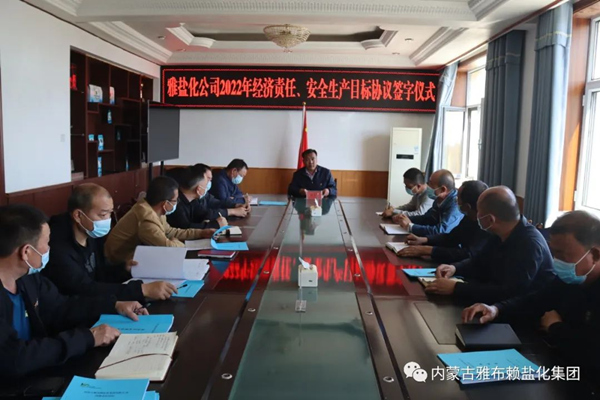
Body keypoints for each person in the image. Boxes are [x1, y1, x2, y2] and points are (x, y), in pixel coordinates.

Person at [0, 204, 147, 378]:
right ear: (26, 252)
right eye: (46, 243)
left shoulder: (27, 278)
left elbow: (60, 307)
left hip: (36, 372)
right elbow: (14, 357)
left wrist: (113, 305)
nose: (49, 249)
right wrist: (88, 337)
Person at [462, 211, 600, 382]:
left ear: (595, 255)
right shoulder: (571, 278)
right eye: (554, 253)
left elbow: (593, 354)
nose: (557, 261)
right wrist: (496, 309)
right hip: (557, 362)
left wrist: (555, 327)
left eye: (563, 255)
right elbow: (535, 300)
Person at [42, 184, 177, 302]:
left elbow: (100, 275)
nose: (108, 220)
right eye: (102, 215)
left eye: (110, 214)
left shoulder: (92, 234)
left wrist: (123, 269)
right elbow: (84, 288)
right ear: (78, 215)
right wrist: (142, 290)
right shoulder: (57, 248)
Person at [426, 186, 555, 304]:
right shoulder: (500, 232)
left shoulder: (529, 244)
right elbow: (478, 261)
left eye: (478, 213)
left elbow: (509, 292)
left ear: (490, 219)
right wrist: (454, 268)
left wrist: (456, 288)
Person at [104, 176, 215, 264]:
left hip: (134, 257)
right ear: (165, 204)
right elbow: (168, 248)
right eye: (175, 200)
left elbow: (170, 232)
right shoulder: (146, 219)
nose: (177, 203)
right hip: (119, 264)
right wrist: (178, 243)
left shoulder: (155, 209)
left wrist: (201, 233)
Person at [398, 180, 491, 264]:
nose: (455, 200)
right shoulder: (469, 217)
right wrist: (425, 240)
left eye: (457, 198)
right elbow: (451, 237)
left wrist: (428, 250)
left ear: (467, 207)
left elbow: (467, 254)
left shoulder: (487, 225)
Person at [394, 169, 462, 236]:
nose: (427, 186)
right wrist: (405, 218)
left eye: (430, 184)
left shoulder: (455, 204)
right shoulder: (438, 199)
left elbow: (441, 230)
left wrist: (411, 227)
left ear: (442, 189)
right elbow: (427, 218)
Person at [167, 166, 230, 230]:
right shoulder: (175, 203)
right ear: (198, 190)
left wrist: (219, 218)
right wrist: (215, 225)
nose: (207, 188)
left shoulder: (193, 200)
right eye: (206, 184)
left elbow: (204, 214)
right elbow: (185, 228)